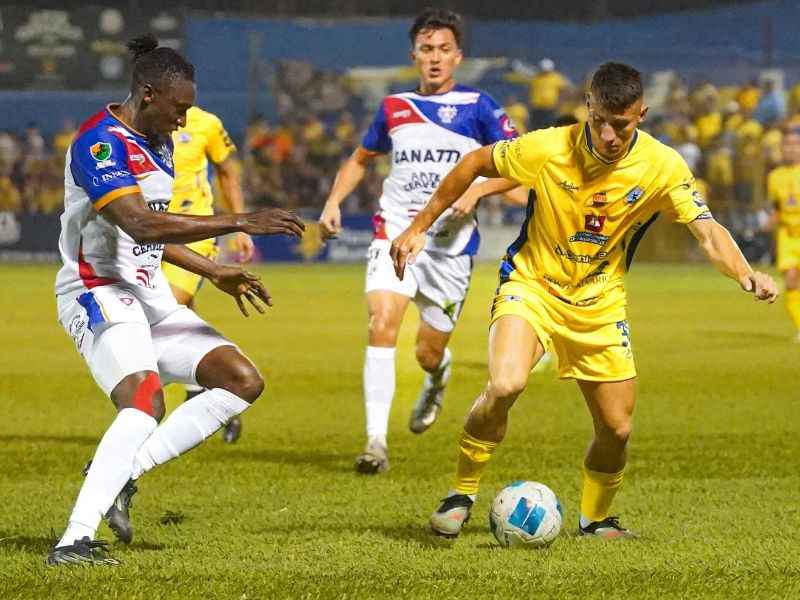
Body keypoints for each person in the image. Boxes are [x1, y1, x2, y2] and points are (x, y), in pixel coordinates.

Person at [390, 62, 777, 539]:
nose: (610, 135)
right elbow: (474, 164)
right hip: (531, 286)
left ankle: (595, 519)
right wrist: (417, 227)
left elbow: (706, 230)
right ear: (587, 108)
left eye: (623, 124)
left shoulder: (663, 165)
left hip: (599, 306)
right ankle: (461, 493)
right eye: (601, 122)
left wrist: (745, 273)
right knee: (506, 384)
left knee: (616, 430)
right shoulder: (547, 147)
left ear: (641, 114)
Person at [47, 34, 304, 566]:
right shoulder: (100, 142)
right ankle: (74, 540)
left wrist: (215, 270)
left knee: (241, 381)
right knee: (145, 401)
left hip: (148, 294)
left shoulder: (160, 142)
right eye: (179, 108)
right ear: (147, 94)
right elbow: (137, 221)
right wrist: (239, 219)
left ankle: (122, 475)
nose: (184, 121)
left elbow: (150, 239)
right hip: (97, 291)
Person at [318, 8, 520, 475]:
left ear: (458, 56)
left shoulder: (481, 108)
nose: (434, 58)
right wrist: (333, 202)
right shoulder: (394, 107)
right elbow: (361, 158)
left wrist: (478, 188)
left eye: (443, 50)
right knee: (382, 320)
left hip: (449, 248)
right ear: (414, 55)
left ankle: (438, 375)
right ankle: (375, 443)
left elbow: (518, 169)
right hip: (394, 231)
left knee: (427, 351)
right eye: (426, 50)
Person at [163, 106, 256, 443]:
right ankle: (209, 384)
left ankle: (152, 403)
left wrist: (240, 225)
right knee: (177, 313)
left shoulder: (208, 124)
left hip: (195, 231)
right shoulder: (140, 123)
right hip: (147, 233)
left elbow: (228, 172)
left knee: (170, 302)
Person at [765, 125, 800, 341]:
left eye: (796, 145)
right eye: (787, 145)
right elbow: (777, 206)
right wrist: (772, 220)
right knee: (790, 280)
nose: (791, 149)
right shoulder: (774, 176)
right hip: (787, 235)